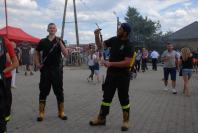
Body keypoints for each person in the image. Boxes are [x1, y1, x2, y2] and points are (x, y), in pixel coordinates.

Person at [89, 23, 134, 131]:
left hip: (123, 76)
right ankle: (101, 118)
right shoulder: (114, 40)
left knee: (123, 98)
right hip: (111, 75)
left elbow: (127, 62)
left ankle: (126, 121)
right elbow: (100, 46)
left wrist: (111, 63)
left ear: (125, 32)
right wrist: (96, 35)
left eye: (120, 29)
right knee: (106, 98)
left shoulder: (129, 45)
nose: (117, 30)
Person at [35, 23, 68, 121]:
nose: (52, 29)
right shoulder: (43, 41)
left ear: (56, 30)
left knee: (59, 91)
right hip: (45, 70)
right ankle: (41, 113)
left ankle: (61, 112)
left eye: (53, 28)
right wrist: (37, 63)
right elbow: (36, 52)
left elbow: (66, 54)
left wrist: (60, 42)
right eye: (50, 28)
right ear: (47, 29)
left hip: (57, 70)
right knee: (43, 90)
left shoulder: (59, 40)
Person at [0, 36, 19, 133]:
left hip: (4, 79)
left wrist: (2, 73)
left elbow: (15, 63)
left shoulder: (5, 42)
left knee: (4, 107)